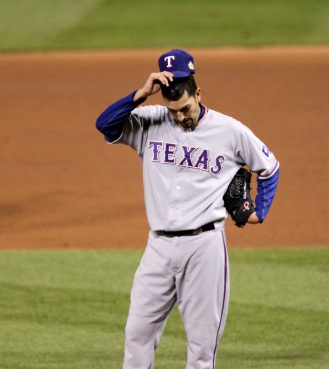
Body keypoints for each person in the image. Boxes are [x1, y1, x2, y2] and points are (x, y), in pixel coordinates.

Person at [96, 49, 280, 368]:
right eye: (173, 110)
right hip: (159, 247)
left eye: (184, 108)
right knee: (137, 334)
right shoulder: (151, 121)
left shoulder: (230, 130)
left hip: (204, 247)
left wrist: (258, 212)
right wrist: (141, 94)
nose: (180, 117)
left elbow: (270, 167)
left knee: (201, 346)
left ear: (198, 93)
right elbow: (105, 125)